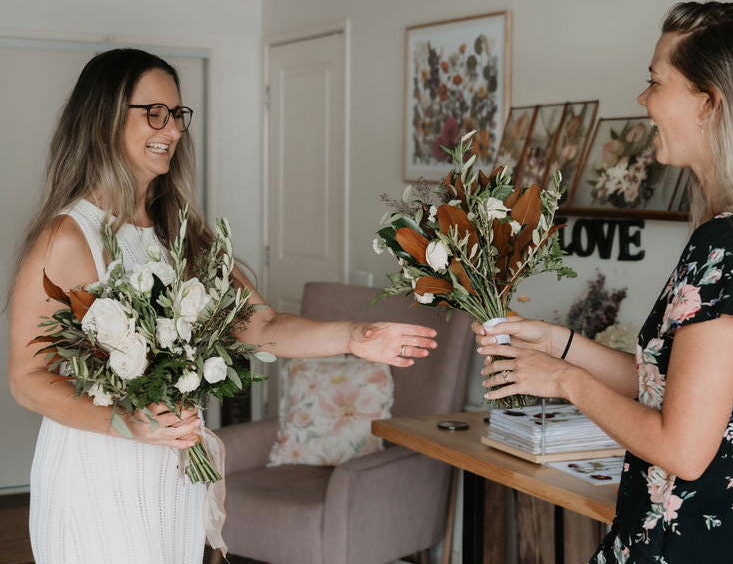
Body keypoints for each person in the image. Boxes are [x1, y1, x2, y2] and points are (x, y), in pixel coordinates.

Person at [7, 48, 437, 564]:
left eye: (177, 114)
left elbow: (261, 323)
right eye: (154, 113)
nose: (172, 129)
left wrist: (353, 337)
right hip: (97, 470)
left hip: (171, 469)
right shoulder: (68, 236)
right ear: (103, 119)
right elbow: (28, 378)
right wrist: (126, 423)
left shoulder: (183, 234)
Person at [475, 1, 733, 564]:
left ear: (709, 102)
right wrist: (562, 346)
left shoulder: (728, 247)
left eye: (656, 82)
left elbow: (683, 448)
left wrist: (565, 382)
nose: (643, 100)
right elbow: (677, 388)